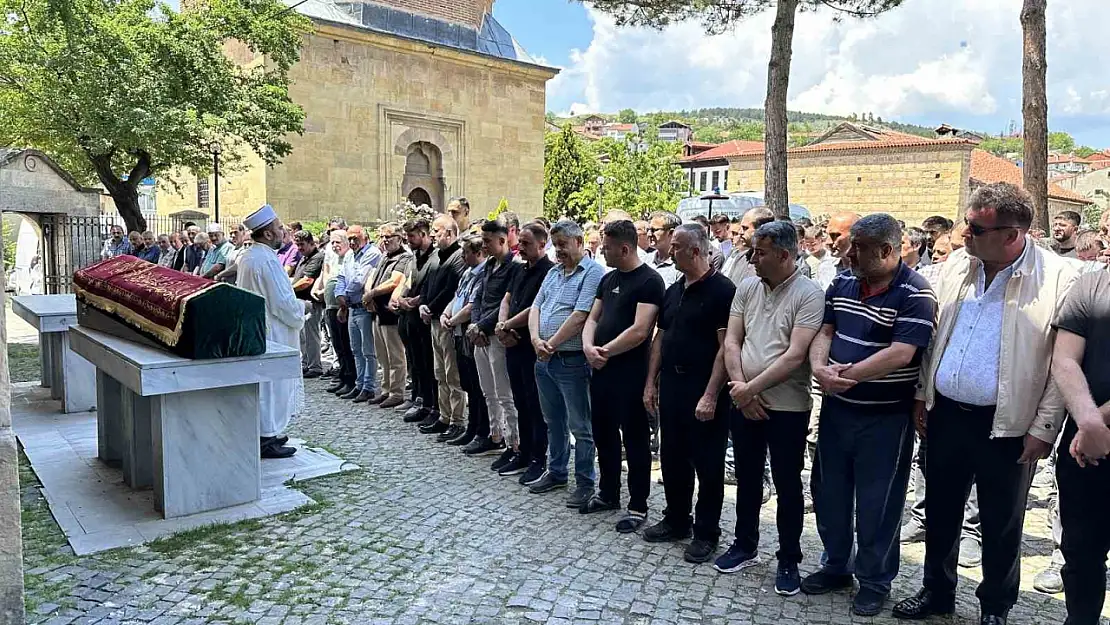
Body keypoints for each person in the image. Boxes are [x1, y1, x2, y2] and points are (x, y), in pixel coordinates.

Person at [892, 183, 1077, 625]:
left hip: (1009, 425)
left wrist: (1044, 428)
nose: (963, 235)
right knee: (940, 511)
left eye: (975, 228)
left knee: (1001, 523)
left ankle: (994, 607)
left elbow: (1061, 365)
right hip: (946, 414)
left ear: (1012, 234)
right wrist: (923, 392)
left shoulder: (1058, 279)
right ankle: (936, 591)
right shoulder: (960, 264)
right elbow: (936, 335)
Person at [803, 213, 937, 617]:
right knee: (829, 493)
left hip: (884, 418)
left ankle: (875, 580)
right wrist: (819, 369)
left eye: (859, 247)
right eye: (851, 244)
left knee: (878, 505)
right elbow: (825, 332)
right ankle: (836, 565)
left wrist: (849, 376)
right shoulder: (842, 282)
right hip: (837, 411)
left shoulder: (916, 293)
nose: (850, 252)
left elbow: (902, 353)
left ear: (887, 250)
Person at [717, 220, 824, 595]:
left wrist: (749, 390)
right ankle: (744, 544)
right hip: (743, 400)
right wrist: (740, 390)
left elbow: (796, 355)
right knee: (746, 478)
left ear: (783, 254)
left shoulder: (809, 294)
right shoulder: (747, 286)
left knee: (787, 483)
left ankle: (789, 558)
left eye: (760, 253)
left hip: (787, 407)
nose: (752, 258)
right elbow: (732, 340)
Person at [641, 223, 735, 563]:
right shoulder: (674, 289)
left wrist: (711, 393)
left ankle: (707, 532)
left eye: (677, 246)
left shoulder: (723, 291)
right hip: (674, 386)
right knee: (672, 457)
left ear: (696, 251)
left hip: (705, 387)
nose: (669, 250)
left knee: (708, 465)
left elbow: (726, 348)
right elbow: (660, 338)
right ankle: (677, 519)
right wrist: (651, 382)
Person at [581, 219, 664, 532]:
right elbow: (593, 317)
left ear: (625, 247)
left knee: (635, 439)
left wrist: (604, 351)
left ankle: (638, 504)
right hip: (602, 371)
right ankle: (608, 492)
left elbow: (641, 330)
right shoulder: (608, 278)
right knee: (603, 434)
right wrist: (590, 346)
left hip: (630, 373)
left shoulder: (649, 281)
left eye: (607, 246)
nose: (603, 250)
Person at [528, 219, 605, 504]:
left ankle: (585, 481)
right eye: (555, 245)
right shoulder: (554, 272)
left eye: (563, 245)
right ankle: (556, 470)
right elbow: (536, 306)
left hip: (571, 359)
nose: (558, 251)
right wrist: (537, 340)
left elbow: (580, 315)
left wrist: (552, 343)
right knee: (553, 421)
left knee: (580, 425)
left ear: (579, 243)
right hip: (544, 358)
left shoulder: (593, 273)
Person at [1049, 270, 1110, 625]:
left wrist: (1097, 420)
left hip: (1090, 437)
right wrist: (1088, 421)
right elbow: (1065, 358)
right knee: (1081, 553)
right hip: (1085, 449)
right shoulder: (1091, 285)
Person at [236, 205, 304, 459]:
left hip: (261, 327)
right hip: (272, 329)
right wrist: (301, 310)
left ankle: (270, 432)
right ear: (266, 234)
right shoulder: (265, 260)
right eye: (277, 228)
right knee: (272, 387)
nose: (282, 231)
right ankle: (267, 437)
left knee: (268, 384)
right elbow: (283, 302)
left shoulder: (250, 256)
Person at [497, 222, 555, 482]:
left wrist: (508, 325)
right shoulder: (520, 269)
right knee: (520, 400)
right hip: (512, 343)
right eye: (519, 242)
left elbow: (535, 307)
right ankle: (523, 451)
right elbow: (507, 298)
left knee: (534, 404)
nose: (520, 247)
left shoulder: (548, 272)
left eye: (527, 243)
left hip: (531, 345)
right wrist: (501, 325)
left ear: (542, 244)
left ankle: (538, 457)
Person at [467, 219, 520, 466]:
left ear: (502, 240)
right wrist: (474, 324)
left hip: (497, 335)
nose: (484, 245)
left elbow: (504, 304)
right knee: (488, 390)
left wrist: (482, 326)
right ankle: (495, 434)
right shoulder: (489, 265)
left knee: (504, 393)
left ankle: (514, 442)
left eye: (488, 241)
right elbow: (479, 297)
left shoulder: (514, 268)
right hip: (481, 335)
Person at [419, 216, 466, 435]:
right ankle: (444, 415)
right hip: (433, 319)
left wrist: (432, 307)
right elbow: (428, 284)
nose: (432, 235)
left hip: (447, 321)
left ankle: (457, 419)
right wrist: (424, 305)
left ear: (449, 232)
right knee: (439, 371)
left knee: (451, 373)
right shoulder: (436, 256)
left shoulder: (458, 257)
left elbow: (451, 289)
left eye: (436, 232)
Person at [449, 235, 493, 452]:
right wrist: (449, 314)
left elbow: (471, 305)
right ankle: (472, 427)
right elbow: (458, 297)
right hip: (458, 333)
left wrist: (453, 319)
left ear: (478, 253)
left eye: (466, 252)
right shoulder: (467, 273)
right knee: (468, 384)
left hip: (472, 334)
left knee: (478, 387)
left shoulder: (483, 273)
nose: (463, 256)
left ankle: (482, 430)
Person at [367, 223, 413, 408]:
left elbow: (395, 281)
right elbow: (373, 276)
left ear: (400, 238)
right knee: (382, 356)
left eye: (389, 237)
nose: (385, 240)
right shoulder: (385, 256)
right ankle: (386, 389)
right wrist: (368, 294)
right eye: (383, 237)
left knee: (395, 356)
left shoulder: (404, 258)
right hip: (377, 312)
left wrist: (371, 294)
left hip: (391, 313)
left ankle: (396, 392)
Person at [335, 225, 383, 403]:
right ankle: (359, 383)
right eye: (351, 239)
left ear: (365, 237)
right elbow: (341, 277)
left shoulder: (372, 253)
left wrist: (344, 297)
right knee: (356, 349)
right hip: (352, 307)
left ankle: (369, 386)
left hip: (362, 307)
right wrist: (339, 296)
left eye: (356, 238)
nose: (353, 242)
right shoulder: (348, 255)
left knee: (367, 350)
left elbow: (359, 279)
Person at [399, 219, 440, 426]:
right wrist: (402, 297)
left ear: (424, 234)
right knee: (416, 363)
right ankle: (420, 399)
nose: (409, 240)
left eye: (412, 236)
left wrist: (418, 300)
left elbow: (433, 287)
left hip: (425, 317)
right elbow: (409, 282)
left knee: (429, 364)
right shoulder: (415, 257)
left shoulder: (435, 258)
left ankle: (433, 404)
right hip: (411, 317)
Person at [320, 229, 357, 397]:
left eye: (338, 242)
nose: (334, 245)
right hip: (331, 306)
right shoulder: (335, 257)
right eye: (332, 242)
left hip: (341, 307)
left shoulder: (350, 256)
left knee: (345, 344)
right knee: (337, 344)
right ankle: (343, 377)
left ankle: (350, 379)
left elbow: (346, 280)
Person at [291, 231, 325, 379]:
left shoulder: (317, 258)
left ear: (312, 243)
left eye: (302, 244)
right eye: (297, 244)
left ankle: (315, 366)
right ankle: (306, 363)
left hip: (311, 302)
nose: (299, 248)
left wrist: (289, 289)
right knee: (304, 336)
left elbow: (307, 281)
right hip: (301, 302)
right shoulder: (305, 258)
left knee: (312, 336)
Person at [722, 208, 775, 285]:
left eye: (745, 228)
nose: (740, 233)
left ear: (761, 229)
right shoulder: (740, 257)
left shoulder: (773, 260)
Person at [814, 212, 861, 290]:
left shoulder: (871, 270)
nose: (828, 242)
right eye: (827, 235)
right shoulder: (826, 267)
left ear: (855, 236)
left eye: (835, 235)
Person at [646, 211, 682, 288]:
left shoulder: (681, 266)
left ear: (671, 233)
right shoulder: (644, 260)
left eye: (654, 230)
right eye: (648, 230)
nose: (649, 234)